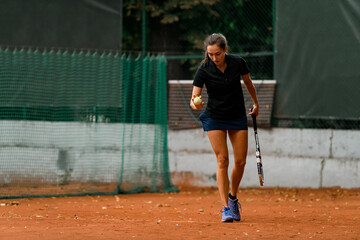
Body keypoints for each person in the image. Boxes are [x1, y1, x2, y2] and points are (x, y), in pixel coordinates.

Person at [190, 33, 259, 223]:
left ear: (225, 50)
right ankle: (226, 208)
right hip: (214, 117)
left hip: (236, 115)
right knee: (222, 159)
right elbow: (194, 97)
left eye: (217, 54)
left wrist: (256, 103)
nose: (214, 58)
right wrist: (196, 103)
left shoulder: (238, 63)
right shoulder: (203, 70)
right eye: (210, 54)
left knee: (241, 161)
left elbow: (248, 83)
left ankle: (233, 197)